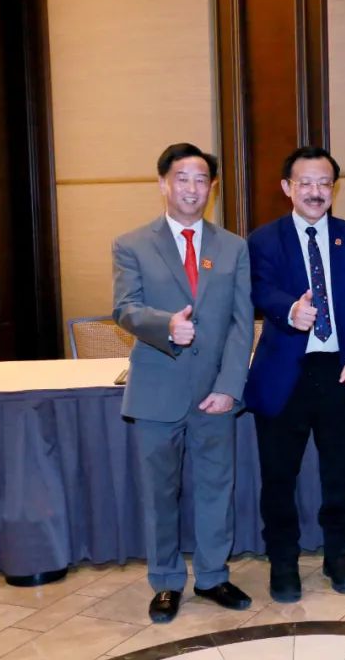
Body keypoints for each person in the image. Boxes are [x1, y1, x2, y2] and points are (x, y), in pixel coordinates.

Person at [113, 142, 254, 623]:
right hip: (157, 392)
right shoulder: (132, 244)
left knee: (217, 488)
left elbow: (241, 324)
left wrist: (230, 386)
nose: (192, 188)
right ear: (163, 184)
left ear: (212, 188)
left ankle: (213, 576)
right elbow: (125, 309)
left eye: (201, 180)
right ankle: (166, 581)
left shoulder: (233, 246)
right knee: (160, 494)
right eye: (182, 178)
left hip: (215, 392)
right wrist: (166, 326)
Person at [244, 147, 345, 601]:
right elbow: (259, 289)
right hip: (285, 373)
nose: (315, 192)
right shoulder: (263, 240)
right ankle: (282, 561)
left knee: (341, 472)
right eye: (305, 182)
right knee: (278, 476)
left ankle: (338, 554)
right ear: (287, 187)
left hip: (342, 370)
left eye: (324, 183)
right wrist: (290, 310)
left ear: (333, 189)